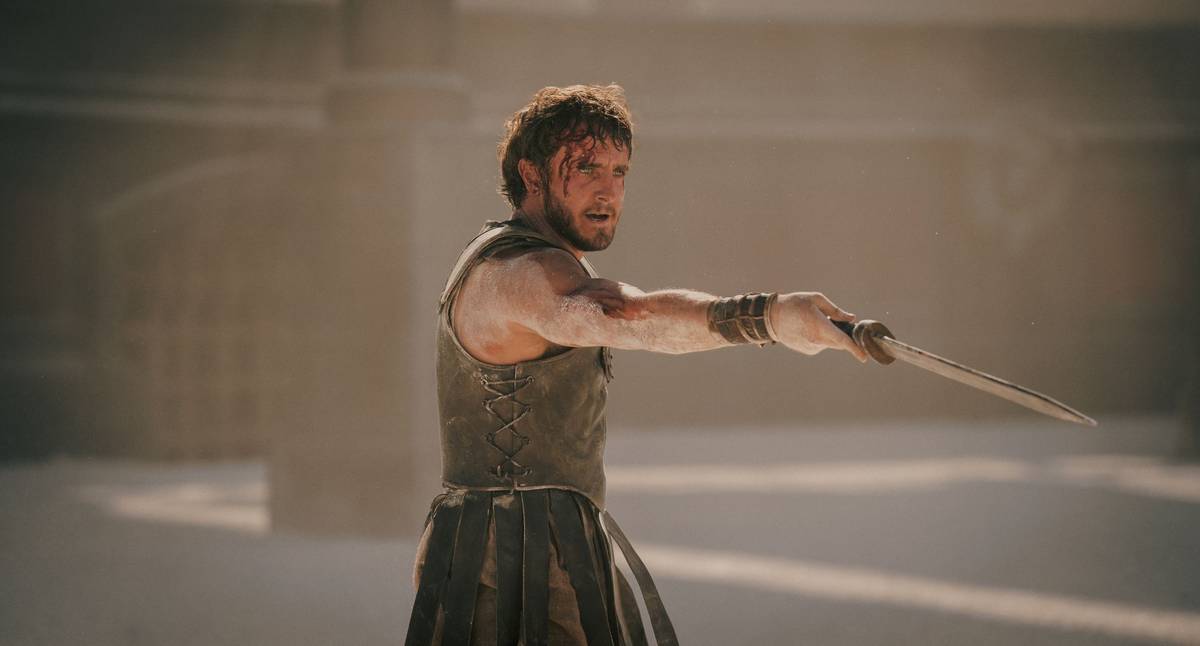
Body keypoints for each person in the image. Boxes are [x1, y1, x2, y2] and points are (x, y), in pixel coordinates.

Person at [405, 84, 867, 646]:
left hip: (553, 543)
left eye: (619, 171)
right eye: (586, 168)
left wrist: (773, 316)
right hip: (503, 559)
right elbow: (631, 319)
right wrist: (769, 317)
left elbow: (633, 308)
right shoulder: (516, 273)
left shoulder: (542, 261)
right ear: (531, 175)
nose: (609, 190)